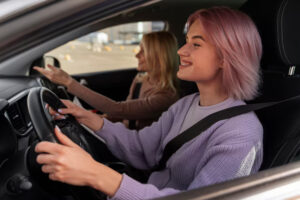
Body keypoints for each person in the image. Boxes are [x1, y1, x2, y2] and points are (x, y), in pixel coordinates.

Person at [35, 7, 263, 200]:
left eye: (196, 44)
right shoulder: (186, 105)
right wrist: (91, 120)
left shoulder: (241, 135)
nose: (181, 51)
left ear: (226, 57)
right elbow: (142, 148)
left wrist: (97, 175)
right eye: (186, 42)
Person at [34, 31, 179, 130]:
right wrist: (95, 118)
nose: (137, 55)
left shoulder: (166, 97)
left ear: (159, 57)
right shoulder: (141, 79)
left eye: (143, 51)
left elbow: (118, 109)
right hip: (123, 135)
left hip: (137, 148)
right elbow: (120, 115)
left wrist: (69, 82)